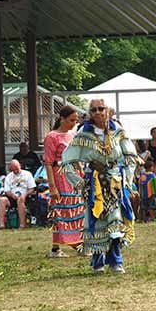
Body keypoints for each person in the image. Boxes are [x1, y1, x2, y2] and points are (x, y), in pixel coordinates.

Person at [61, 98, 138, 274]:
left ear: (107, 111)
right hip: (94, 181)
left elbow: (130, 156)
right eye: (93, 110)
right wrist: (79, 182)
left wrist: (127, 179)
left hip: (115, 181)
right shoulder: (83, 133)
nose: (97, 112)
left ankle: (116, 261)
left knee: (115, 219)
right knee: (96, 221)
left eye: (100, 109)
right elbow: (67, 159)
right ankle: (98, 262)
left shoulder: (117, 130)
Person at [43, 105, 85, 257]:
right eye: (71, 120)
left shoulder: (72, 135)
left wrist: (81, 175)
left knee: (76, 209)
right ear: (62, 118)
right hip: (59, 176)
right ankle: (76, 245)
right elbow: (48, 163)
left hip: (72, 177)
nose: (74, 123)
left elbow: (76, 157)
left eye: (76, 120)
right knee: (63, 211)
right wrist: (52, 187)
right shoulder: (52, 137)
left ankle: (57, 248)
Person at [0, 159, 36, 229]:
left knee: (20, 200)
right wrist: (12, 195)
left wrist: (25, 195)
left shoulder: (27, 174)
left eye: (16, 169)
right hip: (12, 197)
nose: (15, 171)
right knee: (2, 200)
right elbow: (7, 190)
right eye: (13, 170)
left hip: (25, 196)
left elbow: (32, 188)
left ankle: (22, 225)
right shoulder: (9, 177)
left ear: (20, 166)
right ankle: (2, 224)